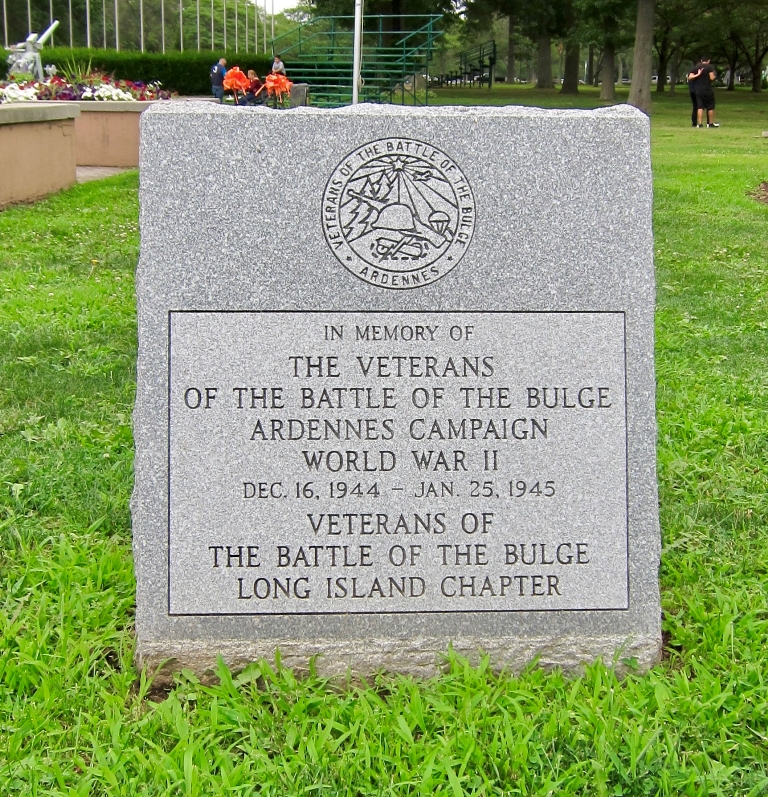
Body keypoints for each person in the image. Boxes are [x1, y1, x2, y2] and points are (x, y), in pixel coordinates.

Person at [688, 56, 720, 128]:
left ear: (701, 60)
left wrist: (698, 75)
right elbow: (711, 77)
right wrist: (714, 77)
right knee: (710, 106)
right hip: (707, 89)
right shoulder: (709, 67)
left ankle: (699, 124)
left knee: (700, 107)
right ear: (708, 60)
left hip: (698, 90)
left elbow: (690, 77)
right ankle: (710, 123)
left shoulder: (696, 67)